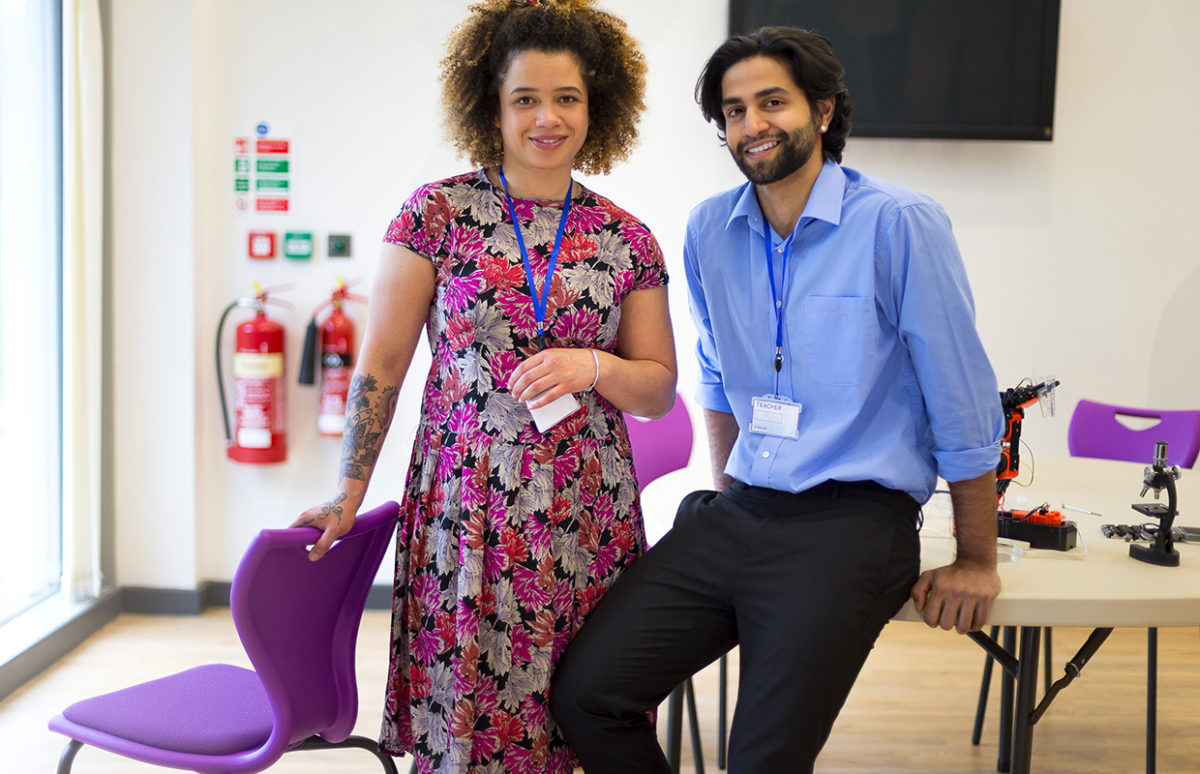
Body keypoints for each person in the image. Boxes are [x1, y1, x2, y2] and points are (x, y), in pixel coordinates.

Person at [550, 25, 1004, 773]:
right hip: (745, 511)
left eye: (772, 102)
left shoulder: (898, 224)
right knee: (588, 695)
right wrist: (730, 494)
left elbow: (961, 398)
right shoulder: (709, 230)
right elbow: (719, 378)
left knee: (760, 761)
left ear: (823, 111)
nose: (751, 125)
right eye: (733, 111)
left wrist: (975, 559)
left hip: (854, 521)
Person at [291, 1, 677, 771]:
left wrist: (592, 367)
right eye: (525, 98)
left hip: (585, 518)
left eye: (566, 97)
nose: (547, 117)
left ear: (595, 107)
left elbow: (658, 388)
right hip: (466, 510)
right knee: (466, 708)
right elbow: (383, 365)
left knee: (580, 711)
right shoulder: (436, 215)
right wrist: (347, 486)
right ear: (490, 108)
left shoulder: (627, 238)